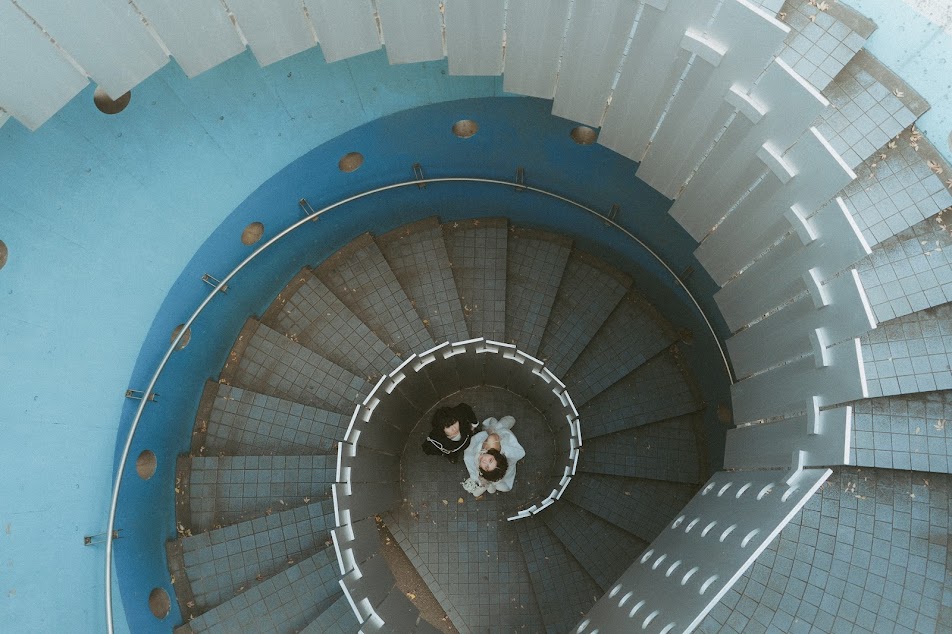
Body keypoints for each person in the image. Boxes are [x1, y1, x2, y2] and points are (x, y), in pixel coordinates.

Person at [463, 416, 525, 496]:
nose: (484, 461)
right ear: (494, 455)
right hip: (495, 438)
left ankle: (488, 483)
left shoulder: (482, 466)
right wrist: (492, 434)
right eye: (490, 460)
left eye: (486, 467)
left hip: (494, 475)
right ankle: (502, 425)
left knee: (500, 484)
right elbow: (493, 437)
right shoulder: (493, 442)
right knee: (497, 428)